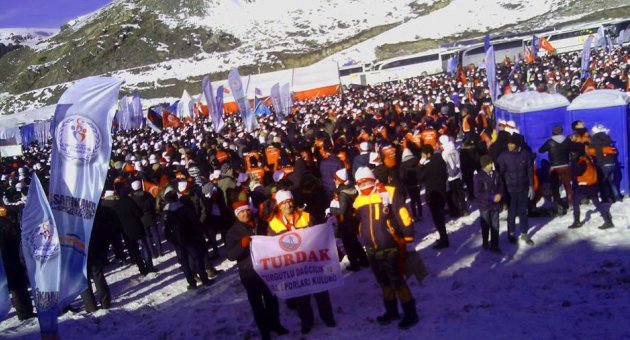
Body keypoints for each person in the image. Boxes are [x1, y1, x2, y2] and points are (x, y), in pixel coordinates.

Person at [353, 167, 418, 329]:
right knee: (384, 283)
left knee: (397, 281)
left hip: (390, 246)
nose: (364, 185)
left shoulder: (389, 192)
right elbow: (360, 221)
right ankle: (392, 311)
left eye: (366, 181)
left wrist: (408, 236)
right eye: (360, 182)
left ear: (373, 179)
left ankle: (411, 313)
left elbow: (403, 215)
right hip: (372, 249)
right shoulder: (358, 199)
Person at [268, 190, 335, 334]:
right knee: (301, 297)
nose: (287, 205)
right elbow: (271, 246)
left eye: (289, 202)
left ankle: (328, 318)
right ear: (279, 206)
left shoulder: (306, 216)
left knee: (321, 292)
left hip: (312, 263)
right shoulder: (273, 224)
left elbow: (317, 235)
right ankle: (307, 322)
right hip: (293, 267)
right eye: (284, 203)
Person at [225, 201, 288, 340]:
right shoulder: (232, 232)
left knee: (272, 299)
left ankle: (275, 325)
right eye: (241, 212)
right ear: (237, 214)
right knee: (257, 305)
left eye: (247, 211)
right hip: (249, 274)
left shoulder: (259, 223)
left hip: (266, 269)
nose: (245, 214)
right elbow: (230, 255)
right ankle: (264, 332)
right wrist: (241, 245)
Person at [163, 191, 214, 289]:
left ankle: (192, 283)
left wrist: (172, 239)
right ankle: (204, 279)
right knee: (197, 258)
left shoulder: (166, 213)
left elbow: (165, 231)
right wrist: (198, 232)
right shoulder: (184, 209)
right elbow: (195, 221)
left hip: (178, 241)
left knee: (184, 262)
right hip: (190, 237)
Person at [496, 134, 535, 245]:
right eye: (509, 143)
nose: (510, 145)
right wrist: (501, 189)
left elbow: (530, 171)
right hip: (510, 189)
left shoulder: (526, 154)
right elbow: (499, 174)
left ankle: (524, 233)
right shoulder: (503, 156)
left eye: (512, 143)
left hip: (523, 187)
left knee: (523, 212)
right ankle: (511, 233)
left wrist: (531, 185)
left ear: (517, 144)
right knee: (511, 212)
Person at [328, 168, 368, 271]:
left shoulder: (343, 193)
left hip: (345, 221)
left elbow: (342, 210)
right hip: (353, 219)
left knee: (348, 244)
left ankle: (354, 263)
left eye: (335, 178)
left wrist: (331, 210)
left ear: (340, 180)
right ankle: (364, 260)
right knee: (354, 241)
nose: (334, 180)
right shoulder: (352, 188)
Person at [568, 145, 614, 230]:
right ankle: (608, 221)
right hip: (592, 185)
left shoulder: (582, 162)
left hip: (585, 186)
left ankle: (576, 222)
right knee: (596, 203)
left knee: (575, 201)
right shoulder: (588, 159)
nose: (572, 155)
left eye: (573, 153)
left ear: (578, 153)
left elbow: (575, 173)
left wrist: (572, 165)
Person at [417, 145, 450, 249]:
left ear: (428, 154)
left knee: (438, 220)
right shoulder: (441, 161)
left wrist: (420, 165)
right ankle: (443, 238)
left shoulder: (428, 166)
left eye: (423, 155)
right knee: (440, 218)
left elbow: (419, 178)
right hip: (442, 192)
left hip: (433, 195)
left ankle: (444, 240)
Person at [538, 125, 572, 215]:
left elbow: (540, 150)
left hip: (554, 167)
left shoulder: (550, 142)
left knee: (555, 188)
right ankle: (571, 204)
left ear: (553, 132)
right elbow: (572, 149)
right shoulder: (567, 141)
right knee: (568, 186)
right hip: (566, 165)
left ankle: (558, 205)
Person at [474, 155, 503, 252]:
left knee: (495, 225)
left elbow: (500, 186)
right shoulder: (479, 177)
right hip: (485, 206)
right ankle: (485, 242)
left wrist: (500, 194)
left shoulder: (496, 174)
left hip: (495, 205)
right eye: (488, 164)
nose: (491, 165)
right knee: (485, 225)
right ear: (483, 165)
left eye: (491, 163)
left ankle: (495, 244)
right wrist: (491, 197)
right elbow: (478, 193)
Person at [590, 125, 622, 203]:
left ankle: (605, 199)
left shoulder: (596, 139)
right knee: (611, 182)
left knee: (602, 182)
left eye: (592, 131)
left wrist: (599, 163)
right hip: (612, 163)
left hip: (604, 164)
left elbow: (599, 152)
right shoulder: (607, 138)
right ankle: (617, 197)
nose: (591, 133)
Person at [130, 180, 162, 258]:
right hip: (150, 216)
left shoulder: (133, 199)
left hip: (141, 219)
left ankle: (153, 253)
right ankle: (160, 250)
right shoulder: (147, 195)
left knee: (147, 236)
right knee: (155, 234)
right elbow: (153, 203)